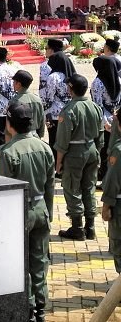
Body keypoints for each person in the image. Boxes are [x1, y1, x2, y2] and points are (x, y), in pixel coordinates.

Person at [0, 103, 54, 322]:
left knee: (20, 262)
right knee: (39, 260)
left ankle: (27, 306)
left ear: (9, 124)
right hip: (40, 209)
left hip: (17, 212)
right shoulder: (44, 147)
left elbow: (0, 190)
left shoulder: (7, 152)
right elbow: (49, 187)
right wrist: (48, 213)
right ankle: (40, 308)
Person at [55, 74, 102, 241]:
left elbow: (62, 141)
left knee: (72, 188)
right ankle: (90, 227)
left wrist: (58, 163)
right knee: (89, 188)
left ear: (71, 89)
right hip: (92, 150)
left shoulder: (69, 110)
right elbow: (100, 134)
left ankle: (77, 228)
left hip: (75, 153)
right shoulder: (95, 107)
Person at [40, 40, 76, 152]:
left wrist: (45, 113)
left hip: (55, 114)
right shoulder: (70, 74)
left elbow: (48, 98)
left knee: (54, 140)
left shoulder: (54, 76)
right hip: (70, 110)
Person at [92, 55, 121, 183]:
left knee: (104, 151)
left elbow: (97, 106)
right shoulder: (119, 80)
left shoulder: (97, 82)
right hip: (118, 119)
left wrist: (104, 123)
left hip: (104, 122)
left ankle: (105, 179)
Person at [101, 122, 121, 274]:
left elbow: (113, 180)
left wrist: (106, 206)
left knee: (118, 246)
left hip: (119, 204)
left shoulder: (119, 150)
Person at [10, 70, 46, 140]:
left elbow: (10, 123)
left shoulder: (14, 101)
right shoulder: (37, 99)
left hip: (19, 138)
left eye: (14, 82)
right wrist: (40, 135)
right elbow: (42, 119)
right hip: (35, 137)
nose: (13, 84)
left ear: (19, 84)